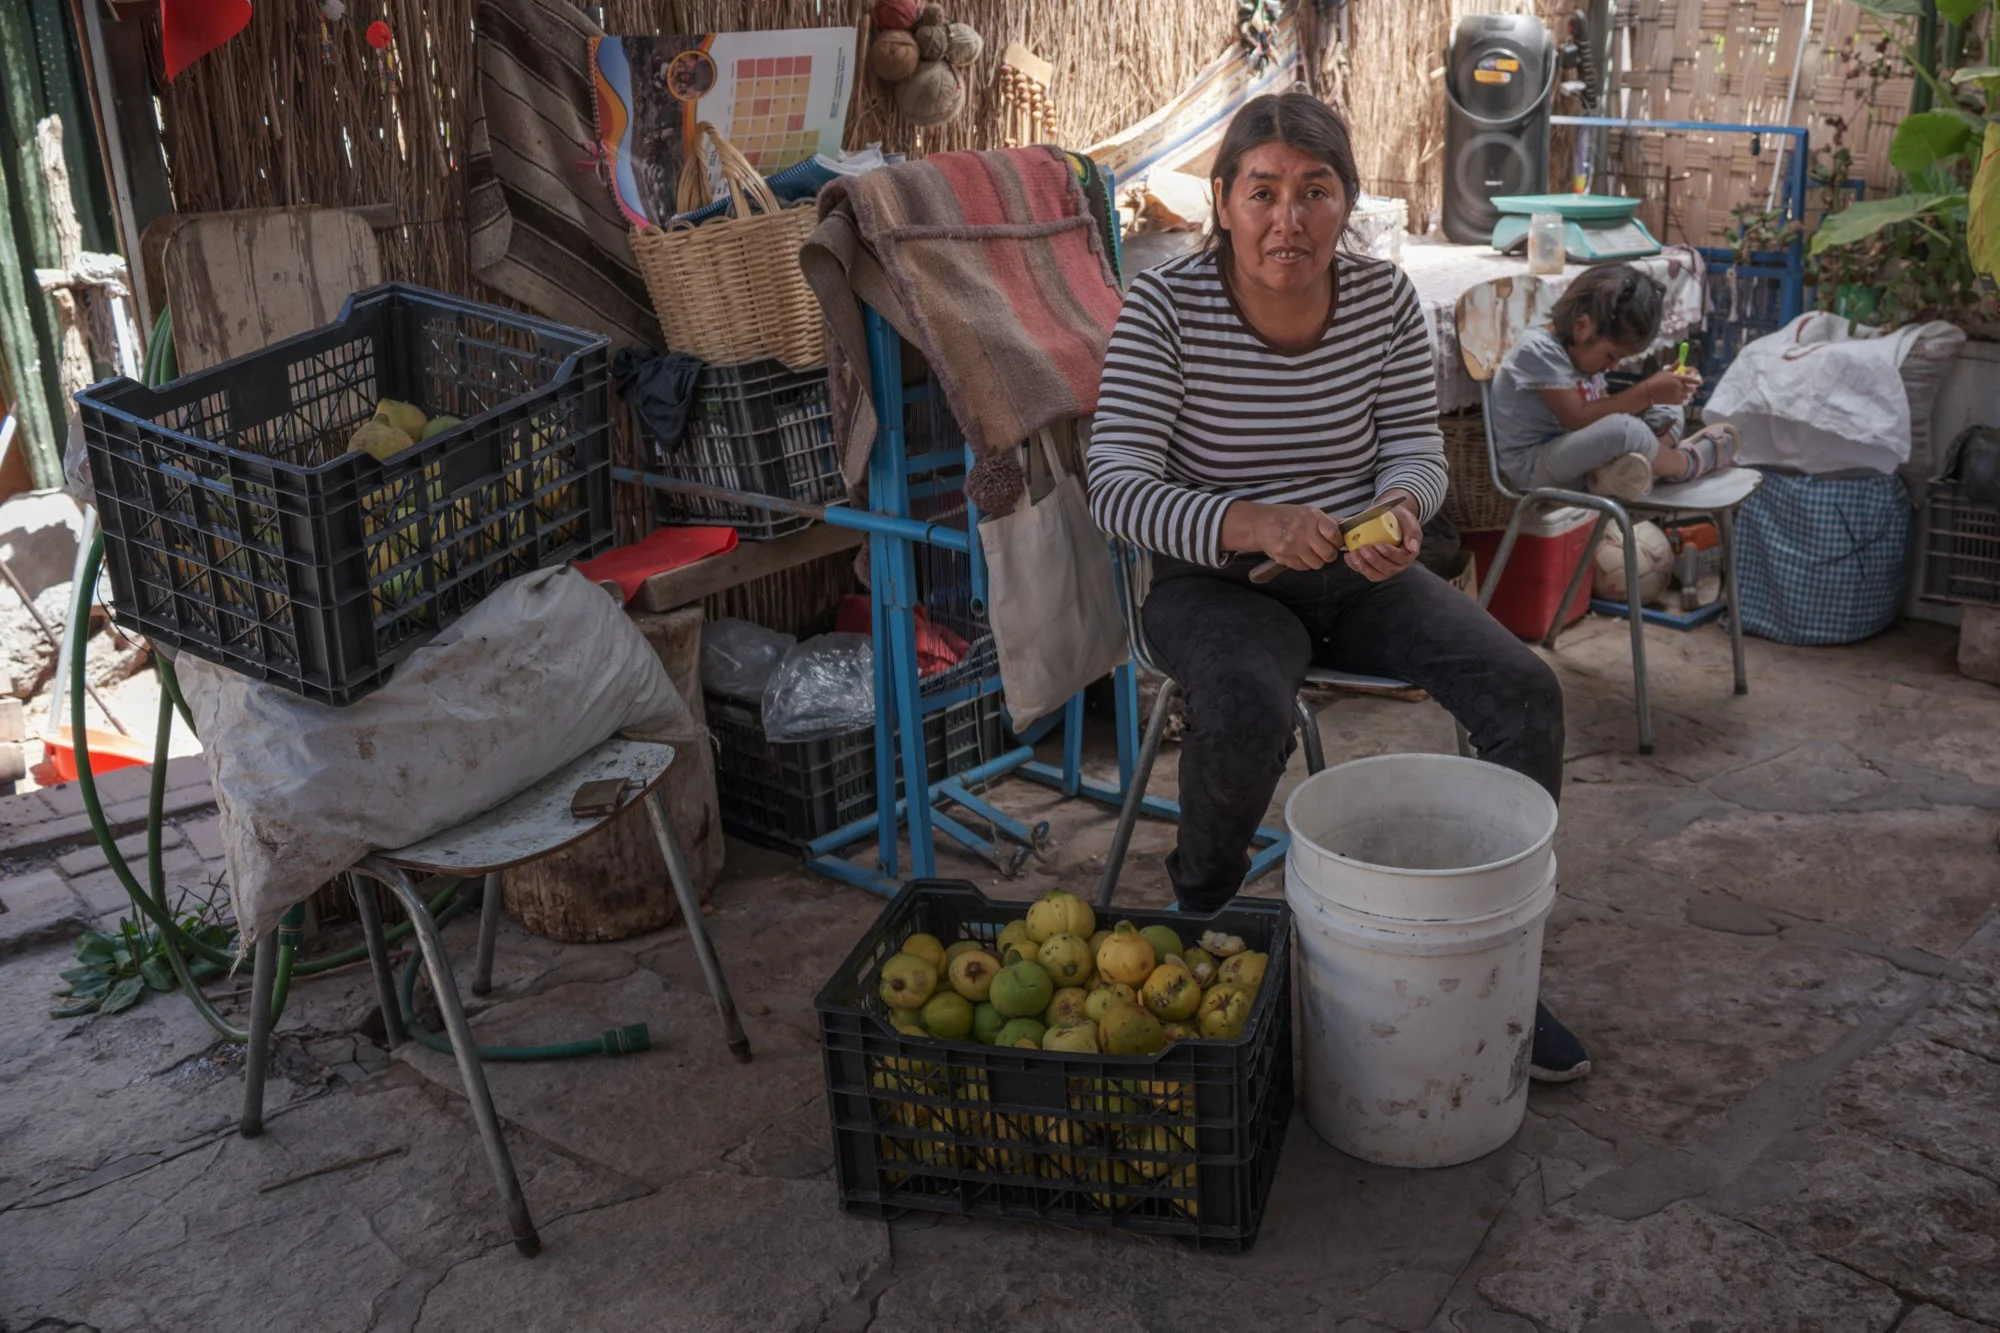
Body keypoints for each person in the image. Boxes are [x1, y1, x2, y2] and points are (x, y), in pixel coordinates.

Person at [1085, 91, 1589, 1081]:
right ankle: (1199, 922)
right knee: (1243, 702)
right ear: (1223, 202)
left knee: (1523, 690)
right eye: (1262, 192)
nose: (1289, 220)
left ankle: (1495, 959)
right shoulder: (1164, 308)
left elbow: (1414, 448)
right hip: (1215, 581)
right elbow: (1115, 489)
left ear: (1347, 202)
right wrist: (1251, 521)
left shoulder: (1382, 300)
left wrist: (1401, 508)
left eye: (1315, 192)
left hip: (1357, 574)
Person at [1487, 262, 1740, 502]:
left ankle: (1635, 467)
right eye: (1612, 356)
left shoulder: (1584, 354)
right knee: (1624, 430)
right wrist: (1649, 391)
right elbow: (1577, 418)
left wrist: (1665, 390)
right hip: (1536, 466)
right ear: (1582, 327)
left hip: (1583, 457)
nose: (1613, 366)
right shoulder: (1538, 350)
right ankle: (1682, 464)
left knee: (1667, 409)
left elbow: (1604, 410)